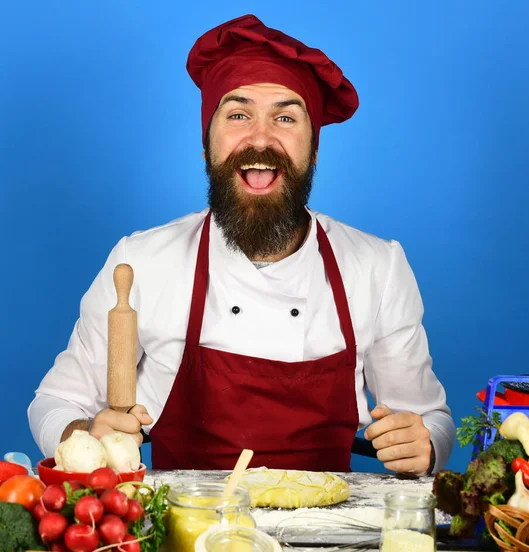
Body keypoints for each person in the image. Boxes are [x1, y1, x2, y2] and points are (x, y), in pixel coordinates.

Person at [28, 14, 455, 475]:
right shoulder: (143, 262)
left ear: (313, 149)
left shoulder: (376, 267)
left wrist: (425, 444)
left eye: (286, 117)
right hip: (180, 536)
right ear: (206, 142)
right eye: (237, 115)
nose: (260, 139)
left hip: (330, 540)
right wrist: (82, 436)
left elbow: (431, 419)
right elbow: (55, 401)